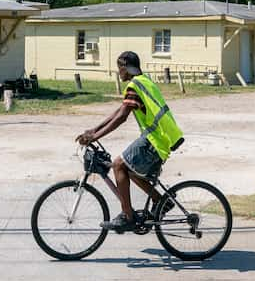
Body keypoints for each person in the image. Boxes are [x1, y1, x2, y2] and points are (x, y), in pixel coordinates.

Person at [76, 51, 184, 232]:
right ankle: (161, 201)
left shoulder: (135, 85)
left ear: (126, 67)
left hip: (153, 141)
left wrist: (95, 137)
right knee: (131, 170)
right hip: (159, 139)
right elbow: (119, 111)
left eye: (120, 68)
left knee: (118, 165)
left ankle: (127, 216)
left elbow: (121, 118)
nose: (119, 72)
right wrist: (94, 130)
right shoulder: (144, 81)